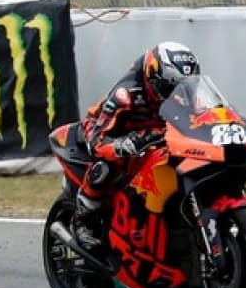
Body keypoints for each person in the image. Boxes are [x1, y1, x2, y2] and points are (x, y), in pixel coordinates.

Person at [70, 41, 201, 255]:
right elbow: (97, 142)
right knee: (106, 165)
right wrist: (123, 144)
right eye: (169, 87)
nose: (175, 94)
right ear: (152, 77)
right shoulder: (125, 95)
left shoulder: (187, 94)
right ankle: (83, 220)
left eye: (183, 87)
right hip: (111, 132)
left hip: (158, 134)